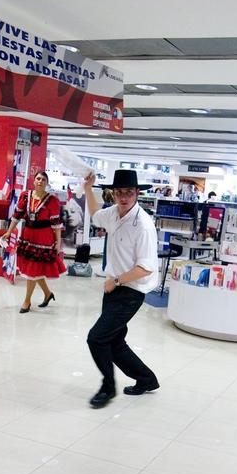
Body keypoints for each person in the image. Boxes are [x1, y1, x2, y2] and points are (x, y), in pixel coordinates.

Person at [83, 169, 159, 408]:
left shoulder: (143, 226)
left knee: (96, 338)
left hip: (130, 290)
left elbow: (145, 268)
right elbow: (95, 215)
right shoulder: (113, 214)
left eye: (128, 192)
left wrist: (115, 281)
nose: (123, 197)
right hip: (114, 288)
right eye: (119, 192)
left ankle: (108, 387)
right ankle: (146, 379)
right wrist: (88, 188)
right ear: (113, 193)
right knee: (114, 342)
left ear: (137, 193)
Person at [1, 171, 65, 312]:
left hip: (43, 238)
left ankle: (27, 301)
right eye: (38, 178)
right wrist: (9, 231)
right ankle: (48, 294)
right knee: (34, 269)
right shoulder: (25, 196)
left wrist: (58, 243)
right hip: (28, 236)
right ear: (34, 181)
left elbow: (56, 224)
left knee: (33, 271)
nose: (40, 181)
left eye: (43, 179)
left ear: (46, 183)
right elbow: (17, 216)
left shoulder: (52, 200)